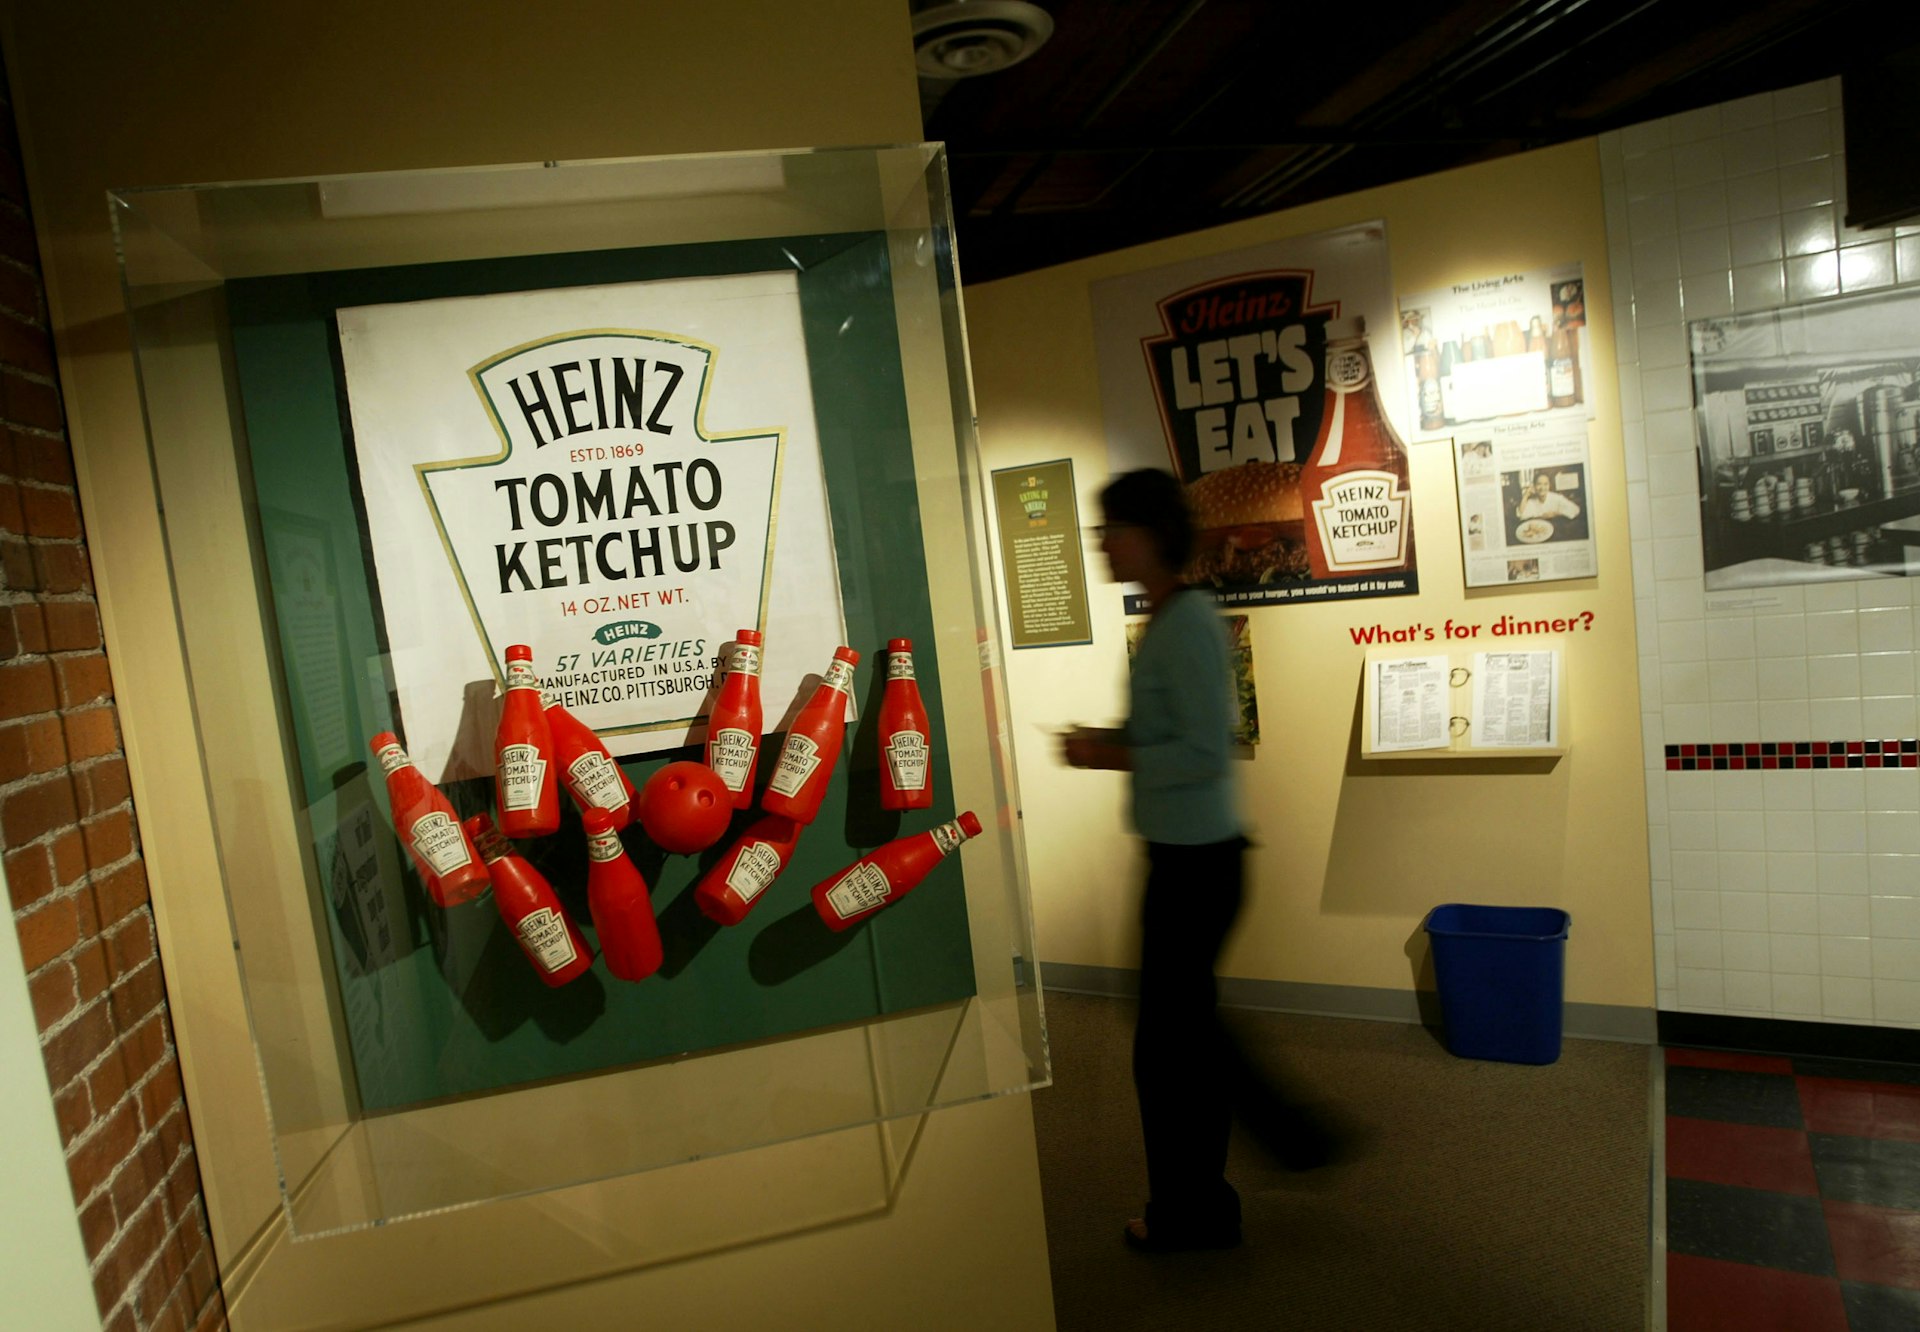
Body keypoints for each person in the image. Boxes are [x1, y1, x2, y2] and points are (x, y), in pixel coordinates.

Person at [1061, 468, 1337, 1255]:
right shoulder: (1171, 616)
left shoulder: (1186, 620)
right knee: (1179, 1040)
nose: (1102, 545)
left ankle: (1223, 1190)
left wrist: (1107, 752)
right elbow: (1168, 729)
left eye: (1110, 529)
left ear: (1146, 534)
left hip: (1197, 864)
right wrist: (1111, 740)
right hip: (1186, 858)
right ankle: (1213, 1199)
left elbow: (1202, 751)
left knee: (1171, 1049)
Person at [1514, 473, 1580, 521]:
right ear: (1534, 486)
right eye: (1539, 484)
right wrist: (1526, 496)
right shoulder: (1532, 502)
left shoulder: (1557, 498)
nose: (1542, 488)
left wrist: (1556, 513)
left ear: (1549, 486)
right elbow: (1521, 515)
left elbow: (1575, 509)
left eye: (1545, 484)